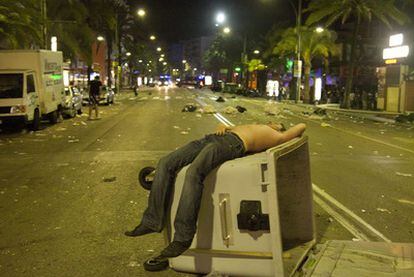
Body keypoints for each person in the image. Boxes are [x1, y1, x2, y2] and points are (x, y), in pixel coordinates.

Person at [125, 122, 307, 258]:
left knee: (194, 173)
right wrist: (224, 126)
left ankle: (183, 236)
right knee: (165, 163)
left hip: (232, 144)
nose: (272, 123)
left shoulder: (275, 136)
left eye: (277, 125)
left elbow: (301, 126)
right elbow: (227, 126)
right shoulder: (257, 125)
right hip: (211, 138)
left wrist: (281, 128)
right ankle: (151, 221)